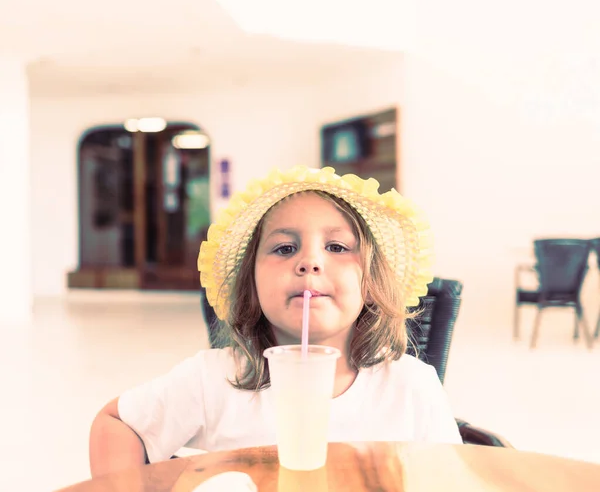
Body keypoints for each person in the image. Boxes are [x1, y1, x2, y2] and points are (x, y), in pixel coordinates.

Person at [89, 165, 462, 477]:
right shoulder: (212, 380)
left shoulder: (411, 386)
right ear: (252, 284)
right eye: (285, 248)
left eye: (337, 247)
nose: (309, 262)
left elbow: (454, 480)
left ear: (370, 284)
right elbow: (117, 424)